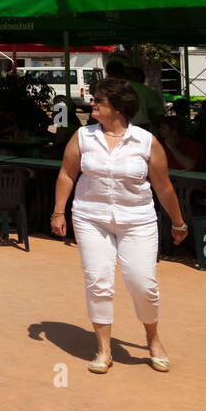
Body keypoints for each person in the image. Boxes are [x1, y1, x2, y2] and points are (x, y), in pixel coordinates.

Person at [52, 77, 186, 373]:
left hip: (137, 221)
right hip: (91, 218)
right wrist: (58, 212)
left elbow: (163, 187)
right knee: (98, 282)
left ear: (118, 107)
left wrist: (177, 222)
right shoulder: (83, 137)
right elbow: (67, 174)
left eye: (99, 100)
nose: (92, 104)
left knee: (142, 283)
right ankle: (103, 349)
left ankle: (152, 339)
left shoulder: (146, 141)